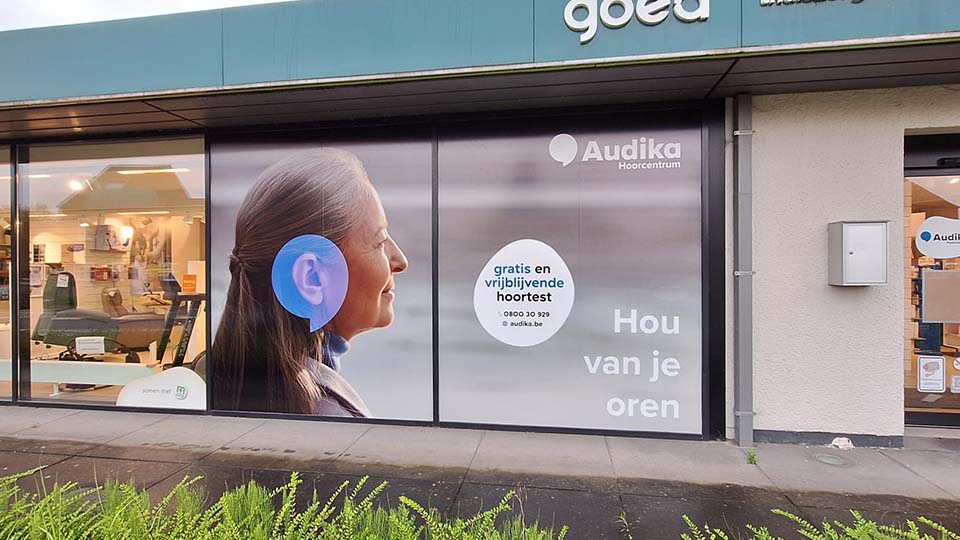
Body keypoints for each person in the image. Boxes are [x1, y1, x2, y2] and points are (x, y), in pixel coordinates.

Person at [211, 149, 408, 416]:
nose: (400, 260)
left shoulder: (221, 383)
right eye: (380, 240)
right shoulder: (331, 424)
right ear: (312, 277)